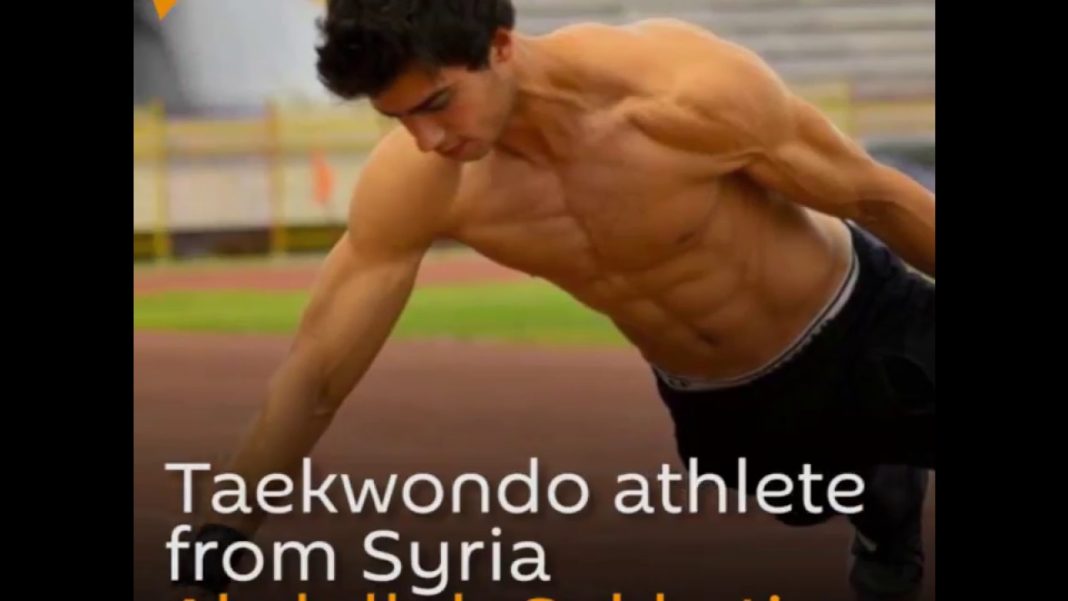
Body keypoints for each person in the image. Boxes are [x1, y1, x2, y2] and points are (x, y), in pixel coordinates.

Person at [175, 1, 935, 599]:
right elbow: (318, 368)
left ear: (501, 45)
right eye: (400, 117)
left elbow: (875, 197)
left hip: (860, 316)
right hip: (726, 400)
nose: (426, 138)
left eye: (438, 102)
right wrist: (224, 522)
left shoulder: (677, 89)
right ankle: (885, 500)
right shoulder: (423, 183)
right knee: (814, 498)